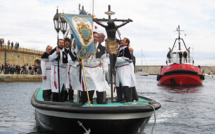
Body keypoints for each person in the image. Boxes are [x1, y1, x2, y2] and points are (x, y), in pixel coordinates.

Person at [80, 32, 109, 104]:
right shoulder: (85, 46)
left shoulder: (102, 48)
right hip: (87, 68)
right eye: (94, 37)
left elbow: (104, 59)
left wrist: (105, 68)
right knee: (88, 85)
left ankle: (100, 100)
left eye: (97, 37)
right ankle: (86, 100)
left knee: (100, 85)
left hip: (97, 68)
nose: (95, 38)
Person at [115, 38, 136, 102]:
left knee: (125, 82)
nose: (121, 41)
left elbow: (127, 59)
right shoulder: (119, 49)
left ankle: (127, 98)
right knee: (118, 83)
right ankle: (119, 97)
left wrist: (116, 60)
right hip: (119, 68)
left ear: (126, 43)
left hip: (124, 68)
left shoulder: (126, 49)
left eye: (123, 40)